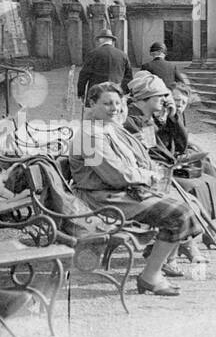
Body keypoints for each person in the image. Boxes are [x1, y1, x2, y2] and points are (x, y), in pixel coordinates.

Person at [70, 82, 204, 296]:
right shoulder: (89, 136)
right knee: (179, 214)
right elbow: (116, 175)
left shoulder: (108, 128)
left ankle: (155, 265)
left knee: (189, 205)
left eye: (116, 103)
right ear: (91, 103)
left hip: (121, 192)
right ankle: (150, 275)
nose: (114, 108)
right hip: (103, 199)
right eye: (107, 103)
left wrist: (148, 172)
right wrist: (149, 177)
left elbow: (135, 159)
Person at [124, 72, 216, 229]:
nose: (165, 101)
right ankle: (211, 228)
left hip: (163, 168)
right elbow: (148, 154)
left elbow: (179, 145)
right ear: (147, 98)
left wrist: (174, 118)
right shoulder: (134, 121)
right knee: (196, 185)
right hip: (154, 174)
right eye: (161, 96)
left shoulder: (150, 117)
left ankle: (214, 225)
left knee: (208, 179)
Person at [76, 31, 130, 102]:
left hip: (97, 93)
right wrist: (124, 92)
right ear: (112, 41)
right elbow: (128, 77)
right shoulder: (123, 55)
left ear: (100, 41)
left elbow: (84, 75)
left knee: (98, 111)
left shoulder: (93, 54)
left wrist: (81, 92)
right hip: (116, 92)